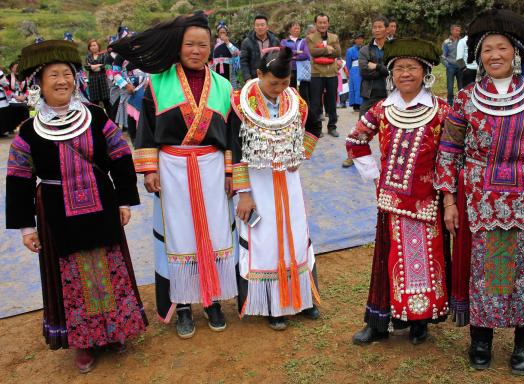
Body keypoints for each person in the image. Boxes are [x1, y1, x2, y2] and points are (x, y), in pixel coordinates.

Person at [434, 8, 524, 375]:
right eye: (486, 50)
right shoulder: (465, 100)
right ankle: (481, 341)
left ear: (515, 53)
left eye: (501, 48)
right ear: (478, 57)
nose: (494, 55)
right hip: (479, 202)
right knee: (485, 272)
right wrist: (449, 200)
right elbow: (449, 150)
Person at [5, 39, 147, 373]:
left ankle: (115, 330)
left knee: (109, 268)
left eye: (66, 74)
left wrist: (125, 199)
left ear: (75, 79)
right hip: (56, 213)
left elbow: (121, 157)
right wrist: (27, 227)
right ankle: (84, 341)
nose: (61, 81)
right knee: (70, 276)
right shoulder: (28, 131)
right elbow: (19, 178)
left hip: (101, 206)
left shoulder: (96, 118)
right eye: (53, 75)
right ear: (39, 83)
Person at [110, 12, 238, 339]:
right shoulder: (158, 81)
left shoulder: (224, 86)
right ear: (178, 46)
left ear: (212, 48)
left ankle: (211, 299)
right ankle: (182, 303)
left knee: (215, 232)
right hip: (172, 168)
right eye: (189, 44)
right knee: (179, 235)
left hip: (210, 169)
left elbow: (232, 135)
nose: (196, 50)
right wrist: (149, 169)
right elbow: (145, 129)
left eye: (203, 45)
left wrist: (229, 173)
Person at [347, 37, 451, 346]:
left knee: (428, 262)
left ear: (425, 72)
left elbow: (451, 154)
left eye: (412, 68)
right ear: (391, 74)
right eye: (399, 68)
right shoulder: (381, 109)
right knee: (387, 261)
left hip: (426, 203)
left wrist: (446, 193)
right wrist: (376, 176)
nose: (405, 74)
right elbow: (355, 140)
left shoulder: (441, 112)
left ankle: (420, 322)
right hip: (391, 204)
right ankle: (378, 321)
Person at [230, 47, 321, 330]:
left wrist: (300, 156)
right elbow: (235, 149)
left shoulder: (296, 101)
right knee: (265, 239)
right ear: (259, 75)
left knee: (296, 234)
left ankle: (303, 298)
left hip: (288, 180)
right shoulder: (239, 104)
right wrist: (243, 194)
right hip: (258, 184)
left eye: (285, 82)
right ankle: (272, 305)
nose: (279, 89)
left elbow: (315, 126)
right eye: (273, 83)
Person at [342, 15, 390, 168]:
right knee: (361, 128)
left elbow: (394, 70)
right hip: (370, 94)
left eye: (380, 27)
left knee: (390, 130)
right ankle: (353, 156)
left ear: (387, 29)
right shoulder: (365, 49)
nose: (376, 30)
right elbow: (363, 71)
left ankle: (389, 158)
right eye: (374, 27)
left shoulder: (394, 47)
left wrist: (376, 66)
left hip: (390, 95)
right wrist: (385, 70)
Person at [307, 13, 341, 138]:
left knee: (332, 101)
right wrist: (327, 49)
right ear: (316, 24)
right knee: (316, 102)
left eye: (324, 22)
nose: (322, 25)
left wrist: (322, 50)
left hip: (332, 73)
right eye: (320, 22)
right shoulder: (310, 37)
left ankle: (332, 127)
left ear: (328, 23)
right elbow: (313, 52)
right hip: (317, 73)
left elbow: (338, 52)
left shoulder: (334, 36)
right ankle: (317, 128)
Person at [240, 15, 280, 81]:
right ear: (254, 27)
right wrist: (247, 78)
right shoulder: (247, 42)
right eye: (257, 25)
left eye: (262, 25)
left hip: (271, 77)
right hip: (254, 78)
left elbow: (278, 59)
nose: (260, 27)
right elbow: (244, 62)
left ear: (267, 27)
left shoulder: (275, 41)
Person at [280, 21, 310, 90]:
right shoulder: (284, 41)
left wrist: (293, 57)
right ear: (289, 30)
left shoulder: (304, 41)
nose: (297, 30)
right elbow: (284, 52)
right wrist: (297, 51)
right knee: (290, 90)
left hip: (302, 69)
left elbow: (306, 54)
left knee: (304, 91)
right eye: (295, 28)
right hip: (289, 69)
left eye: (298, 28)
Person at [85, 39, 112, 115]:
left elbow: (106, 65)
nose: (93, 47)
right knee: (95, 103)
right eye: (91, 46)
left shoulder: (104, 54)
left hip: (103, 79)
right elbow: (87, 67)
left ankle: (111, 121)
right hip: (93, 81)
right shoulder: (88, 57)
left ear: (98, 46)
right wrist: (99, 65)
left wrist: (93, 67)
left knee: (107, 102)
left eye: (94, 45)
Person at [211, 21, 241, 89]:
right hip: (217, 72)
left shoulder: (231, 43)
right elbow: (211, 60)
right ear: (218, 33)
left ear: (226, 33)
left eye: (224, 32)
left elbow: (236, 53)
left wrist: (227, 43)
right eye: (220, 32)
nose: (222, 34)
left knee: (231, 89)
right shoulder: (214, 44)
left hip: (229, 71)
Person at [4, 61, 30, 135]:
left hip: (23, 97)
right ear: (11, 69)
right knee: (11, 107)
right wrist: (15, 96)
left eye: (18, 68)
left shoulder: (25, 77)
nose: (17, 69)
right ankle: (11, 127)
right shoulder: (7, 77)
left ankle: (26, 127)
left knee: (24, 107)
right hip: (12, 98)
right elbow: (6, 89)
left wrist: (24, 96)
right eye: (15, 68)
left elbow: (29, 88)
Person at [441, 24, 463, 105]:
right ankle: (450, 103)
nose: (458, 32)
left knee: (461, 87)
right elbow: (443, 56)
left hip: (460, 66)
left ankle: (461, 102)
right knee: (450, 87)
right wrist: (447, 65)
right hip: (451, 67)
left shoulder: (462, 41)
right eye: (456, 30)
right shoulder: (446, 42)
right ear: (452, 31)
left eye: (459, 30)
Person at [346, 33, 364, 111]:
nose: (360, 40)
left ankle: (363, 103)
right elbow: (348, 63)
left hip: (363, 68)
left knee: (363, 86)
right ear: (355, 40)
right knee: (356, 87)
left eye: (361, 38)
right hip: (354, 70)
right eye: (358, 38)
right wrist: (350, 72)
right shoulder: (350, 50)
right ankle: (356, 104)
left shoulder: (365, 49)